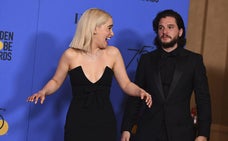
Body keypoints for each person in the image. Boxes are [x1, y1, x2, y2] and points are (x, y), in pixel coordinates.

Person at [27, 8, 152, 141]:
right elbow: (56, 81)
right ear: (94, 29)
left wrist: (139, 91)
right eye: (109, 28)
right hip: (77, 123)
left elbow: (126, 84)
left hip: (105, 122)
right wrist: (43, 91)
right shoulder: (70, 55)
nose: (112, 33)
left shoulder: (113, 54)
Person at [121, 9, 211, 141]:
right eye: (161, 28)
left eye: (170, 27)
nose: (165, 32)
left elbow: (203, 99)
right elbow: (136, 97)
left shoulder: (194, 61)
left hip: (181, 133)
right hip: (148, 131)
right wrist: (126, 128)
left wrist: (203, 134)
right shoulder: (146, 60)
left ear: (180, 32)